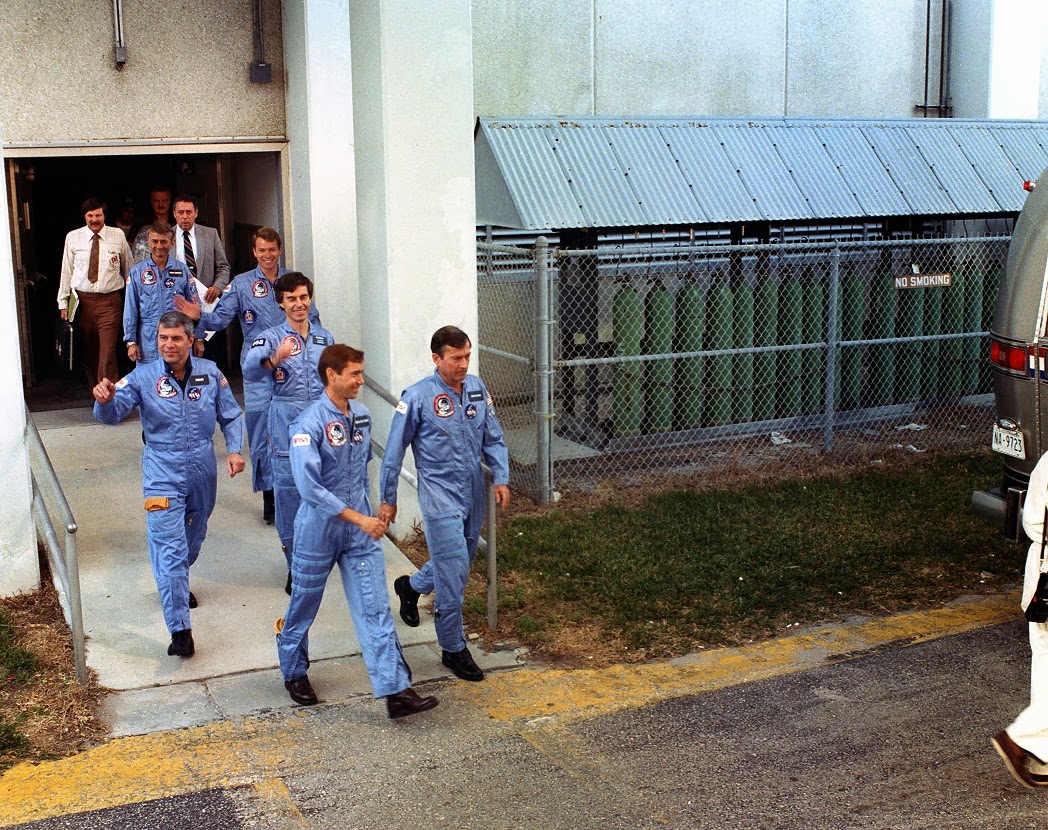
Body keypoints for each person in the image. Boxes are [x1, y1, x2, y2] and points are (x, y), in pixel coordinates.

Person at [277, 344, 439, 718]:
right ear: (332, 375)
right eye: (354, 374)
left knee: (375, 607)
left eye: (361, 373)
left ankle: (396, 690)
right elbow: (310, 488)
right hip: (319, 529)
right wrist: (359, 518)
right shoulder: (308, 424)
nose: (360, 381)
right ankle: (293, 668)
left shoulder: (362, 416)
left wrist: (382, 504)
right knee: (304, 604)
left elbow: (365, 465)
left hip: (360, 533)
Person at [92, 311, 245, 658]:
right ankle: (180, 629)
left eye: (176, 338)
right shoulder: (143, 377)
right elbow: (113, 414)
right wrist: (104, 402)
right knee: (170, 550)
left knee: (193, 537)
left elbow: (232, 415)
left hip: (203, 467)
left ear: (190, 341)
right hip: (162, 468)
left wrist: (234, 450)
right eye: (163, 338)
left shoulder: (210, 373)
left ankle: (176, 580)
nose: (168, 345)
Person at [378, 326, 511, 682]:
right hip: (439, 495)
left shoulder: (477, 389)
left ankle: (412, 587)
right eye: (456, 358)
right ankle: (453, 648)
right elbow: (393, 452)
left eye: (467, 356)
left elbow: (493, 437)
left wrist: (500, 475)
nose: (463, 364)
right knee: (454, 578)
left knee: (459, 562)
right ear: (437, 359)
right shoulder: (418, 397)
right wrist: (388, 498)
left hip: (472, 491)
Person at [174, 227, 320, 525]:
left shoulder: (295, 282)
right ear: (254, 252)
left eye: (272, 249)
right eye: (261, 250)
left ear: (280, 250)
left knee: (296, 431)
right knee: (261, 434)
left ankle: (298, 492)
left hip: (293, 372)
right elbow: (220, 318)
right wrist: (197, 314)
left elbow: (313, 322)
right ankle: (270, 497)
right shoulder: (242, 284)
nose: (267, 255)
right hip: (257, 374)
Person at [242, 272, 334, 594]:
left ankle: (317, 558)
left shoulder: (325, 339)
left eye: (304, 297)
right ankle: (295, 566)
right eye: (291, 298)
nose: (299, 304)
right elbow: (249, 369)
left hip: (321, 423)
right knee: (290, 497)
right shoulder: (268, 337)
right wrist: (272, 359)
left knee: (323, 494)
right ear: (281, 303)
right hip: (285, 424)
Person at [993, 450, 1048, 788]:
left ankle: (1044, 757)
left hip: (1041, 572)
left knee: (1045, 665)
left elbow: (1032, 520)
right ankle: (1021, 738)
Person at [57, 197, 133, 386]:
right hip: (83, 303)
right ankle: (96, 392)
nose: (94, 219)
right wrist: (63, 302)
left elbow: (129, 271)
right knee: (90, 352)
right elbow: (66, 271)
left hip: (110, 302)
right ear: (84, 216)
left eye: (98, 215)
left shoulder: (117, 235)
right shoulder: (73, 237)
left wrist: (135, 301)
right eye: (90, 215)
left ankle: (109, 397)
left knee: (107, 353)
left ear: (104, 215)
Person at [123, 222, 201, 364]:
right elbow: (130, 309)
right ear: (148, 242)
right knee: (148, 381)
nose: (159, 246)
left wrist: (199, 337)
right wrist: (131, 341)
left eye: (163, 241)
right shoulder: (137, 272)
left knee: (180, 380)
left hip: (178, 337)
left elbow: (195, 306)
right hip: (148, 339)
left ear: (172, 243)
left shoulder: (183, 271)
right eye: (155, 241)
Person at [171, 194, 231, 363]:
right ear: (174, 213)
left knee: (207, 355)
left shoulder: (210, 234)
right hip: (177, 304)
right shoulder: (166, 237)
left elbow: (224, 266)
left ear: (196, 213)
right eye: (181, 212)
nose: (185, 216)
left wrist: (218, 287)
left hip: (205, 301)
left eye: (189, 212)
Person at [132, 186, 173, 263]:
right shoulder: (141, 222)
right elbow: (129, 245)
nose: (161, 204)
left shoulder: (176, 221)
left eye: (164, 201)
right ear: (151, 202)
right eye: (157, 201)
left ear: (170, 202)